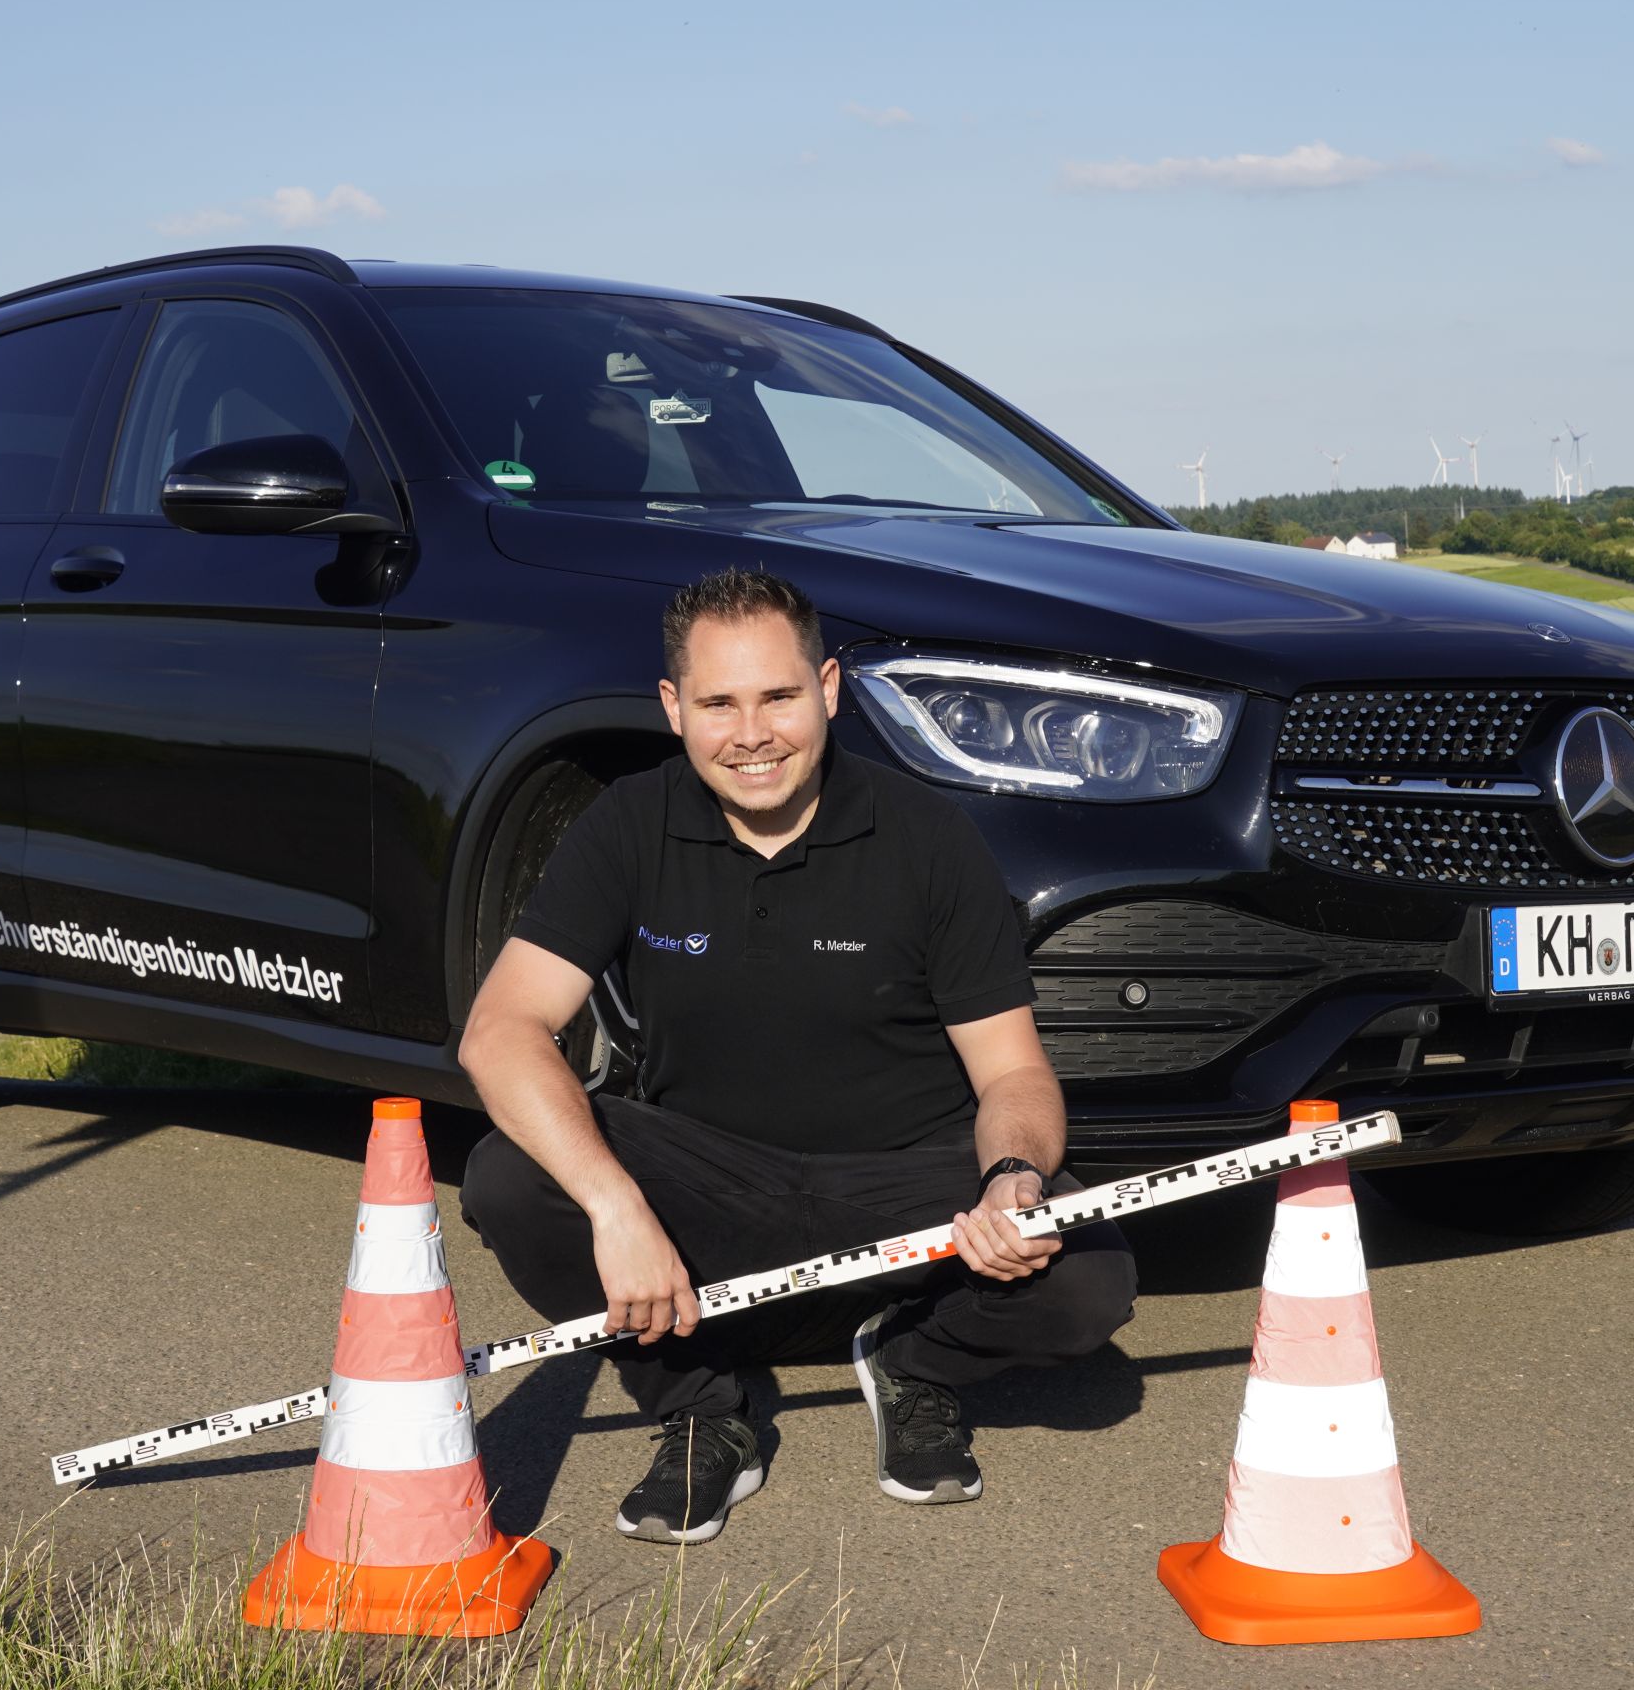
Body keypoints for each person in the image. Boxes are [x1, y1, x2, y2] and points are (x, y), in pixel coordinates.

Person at [458, 567, 1136, 1544]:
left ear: (827, 688)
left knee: (1088, 1277)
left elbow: (1014, 1074)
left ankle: (915, 1360)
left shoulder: (928, 836)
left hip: (905, 1175)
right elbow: (501, 1028)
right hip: (709, 1176)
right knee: (512, 1176)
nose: (752, 732)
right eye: (718, 703)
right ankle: (701, 1405)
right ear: (673, 707)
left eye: (778, 695)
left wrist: (1012, 1176)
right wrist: (615, 1204)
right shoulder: (627, 824)